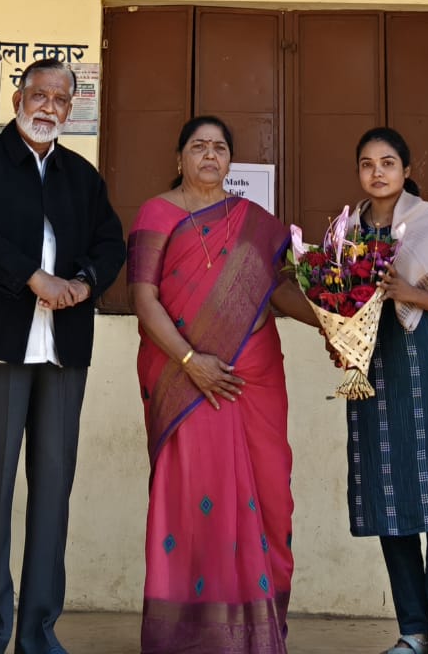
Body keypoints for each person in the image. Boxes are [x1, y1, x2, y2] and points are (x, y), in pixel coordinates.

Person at [0, 58, 126, 654]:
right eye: (39, 94)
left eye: (60, 99)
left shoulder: (82, 176)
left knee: (52, 494)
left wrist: (85, 283)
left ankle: (39, 634)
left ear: (71, 109)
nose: (49, 106)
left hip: (64, 351)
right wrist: (30, 276)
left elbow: (111, 243)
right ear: (19, 98)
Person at [127, 114, 317, 654]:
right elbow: (143, 299)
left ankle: (258, 632)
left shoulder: (254, 221)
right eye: (198, 146)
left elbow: (279, 292)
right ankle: (193, 636)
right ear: (179, 158)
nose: (209, 155)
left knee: (271, 495)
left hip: (255, 376)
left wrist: (339, 323)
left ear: (230, 160)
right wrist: (191, 361)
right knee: (194, 498)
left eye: (219, 148)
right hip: (186, 379)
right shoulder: (157, 212)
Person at [341, 126, 428, 654]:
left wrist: (410, 293)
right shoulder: (346, 231)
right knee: (391, 502)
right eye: (367, 164)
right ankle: (413, 631)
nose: (377, 172)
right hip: (373, 376)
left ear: (406, 169)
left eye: (387, 163)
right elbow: (337, 303)